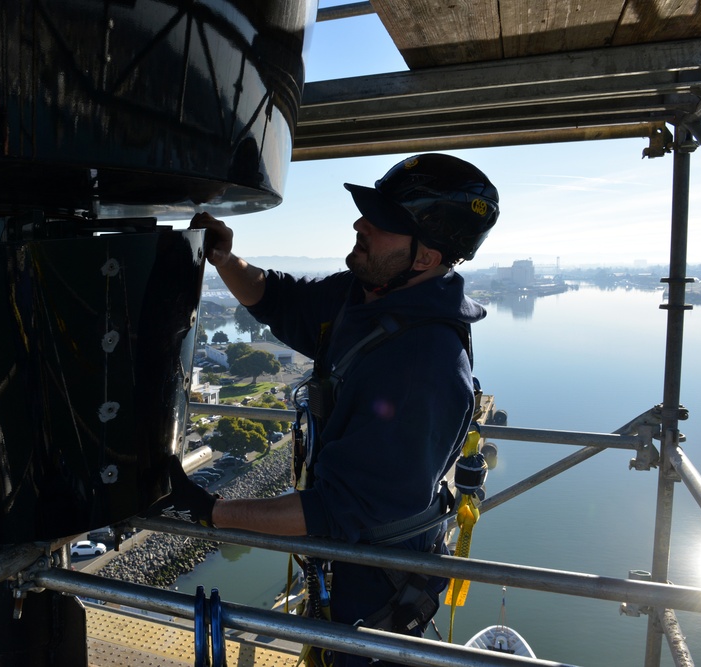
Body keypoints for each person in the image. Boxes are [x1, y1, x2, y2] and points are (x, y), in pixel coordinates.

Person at [155, 153, 499, 666]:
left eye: (381, 223)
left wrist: (212, 512)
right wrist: (226, 260)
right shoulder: (368, 296)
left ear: (424, 258)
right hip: (342, 568)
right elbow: (282, 301)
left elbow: (339, 510)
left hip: (376, 591)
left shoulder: (423, 368)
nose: (361, 223)